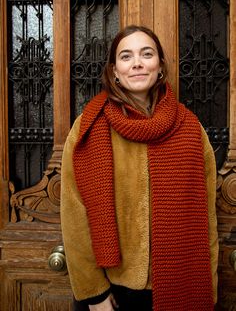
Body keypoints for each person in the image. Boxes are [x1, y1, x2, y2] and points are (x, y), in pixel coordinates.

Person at [60, 25, 219, 311]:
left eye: (147, 54)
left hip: (180, 284)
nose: (137, 63)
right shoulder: (89, 126)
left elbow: (206, 219)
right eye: (126, 56)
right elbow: (75, 216)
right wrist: (93, 293)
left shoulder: (189, 127)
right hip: (111, 293)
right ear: (114, 70)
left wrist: (209, 286)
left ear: (159, 67)